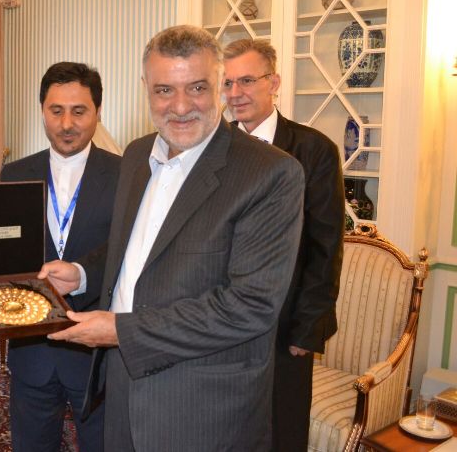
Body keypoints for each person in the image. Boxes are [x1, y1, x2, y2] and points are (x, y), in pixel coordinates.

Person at [42, 25, 306, 451]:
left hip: (200, 407)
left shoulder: (270, 173)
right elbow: (138, 248)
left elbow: (249, 307)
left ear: (220, 86)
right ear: (145, 88)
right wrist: (83, 273)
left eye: (197, 88)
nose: (180, 106)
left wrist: (122, 331)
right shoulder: (136, 155)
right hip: (121, 385)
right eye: (164, 90)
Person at [222, 38, 344, 451]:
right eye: (227, 83)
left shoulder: (314, 150)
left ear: (273, 83)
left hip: (285, 324)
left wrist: (307, 329)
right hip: (221, 320)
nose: (235, 93)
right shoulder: (212, 148)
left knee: (282, 432)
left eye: (247, 81)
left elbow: (326, 246)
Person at [0, 62, 120, 452]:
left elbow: (127, 247)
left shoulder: (127, 174)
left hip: (98, 352)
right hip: (31, 347)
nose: (67, 124)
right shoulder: (13, 173)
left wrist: (83, 273)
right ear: (42, 111)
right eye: (56, 111)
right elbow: (6, 253)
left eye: (79, 111)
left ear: (97, 111)